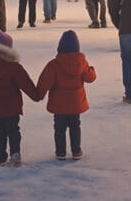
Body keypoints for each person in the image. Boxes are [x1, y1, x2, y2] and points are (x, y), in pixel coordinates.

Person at [0, 28, 39, 166]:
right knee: (13, 130)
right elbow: (26, 84)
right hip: (11, 105)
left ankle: (1, 156)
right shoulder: (13, 67)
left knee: (0, 129)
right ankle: (15, 153)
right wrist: (36, 95)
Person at [37, 30, 96, 160]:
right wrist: (91, 70)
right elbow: (90, 78)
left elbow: (45, 81)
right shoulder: (82, 63)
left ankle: (60, 152)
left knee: (59, 129)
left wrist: (39, 95)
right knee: (75, 126)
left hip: (59, 105)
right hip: (76, 104)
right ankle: (76, 150)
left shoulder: (53, 65)